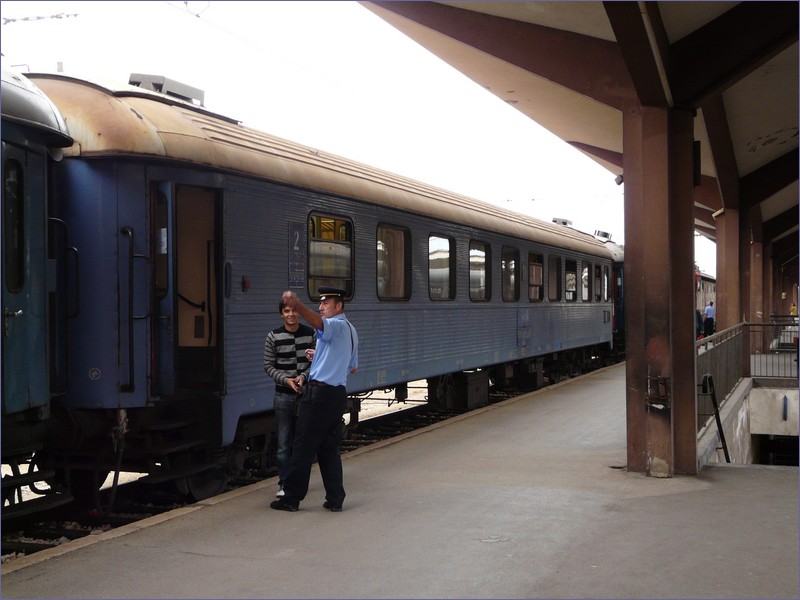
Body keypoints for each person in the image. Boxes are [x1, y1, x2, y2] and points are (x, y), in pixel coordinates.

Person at [270, 286, 358, 513]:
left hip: (320, 396)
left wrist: (297, 305)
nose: (320, 308)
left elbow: (320, 325)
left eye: (325, 303)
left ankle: (291, 498)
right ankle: (335, 498)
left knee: (302, 447)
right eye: (320, 304)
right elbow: (352, 367)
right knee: (329, 448)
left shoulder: (336, 325)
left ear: (338, 306)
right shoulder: (351, 330)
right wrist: (319, 355)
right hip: (336, 394)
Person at [264, 298, 316, 498]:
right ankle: (285, 484)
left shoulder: (310, 334)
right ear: (281, 314)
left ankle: (298, 483)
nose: (291, 314)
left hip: (305, 395)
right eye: (287, 311)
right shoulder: (273, 337)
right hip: (283, 395)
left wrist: (303, 377)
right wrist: (287, 381)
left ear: (299, 313)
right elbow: (269, 366)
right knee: (283, 444)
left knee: (301, 443)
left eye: (294, 311)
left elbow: (317, 361)